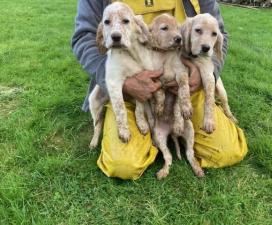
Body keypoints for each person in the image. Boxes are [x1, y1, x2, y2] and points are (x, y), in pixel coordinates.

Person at [71, 0, 248, 180]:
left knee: (227, 152)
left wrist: (204, 73)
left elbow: (219, 35)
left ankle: (160, 134)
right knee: (123, 165)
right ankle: (153, 138)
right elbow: (84, 38)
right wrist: (123, 83)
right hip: (129, 88)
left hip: (183, 82)